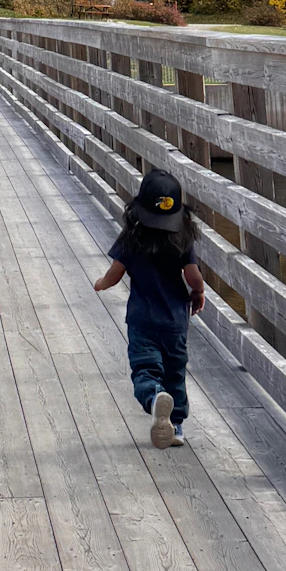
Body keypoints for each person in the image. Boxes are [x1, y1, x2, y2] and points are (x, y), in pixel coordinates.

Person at [94, 166, 205, 447]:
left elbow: (114, 274)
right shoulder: (183, 239)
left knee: (145, 369)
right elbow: (193, 276)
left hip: (142, 320)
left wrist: (101, 284)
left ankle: (155, 397)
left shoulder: (132, 239)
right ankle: (177, 425)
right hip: (175, 322)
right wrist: (199, 292)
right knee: (175, 372)